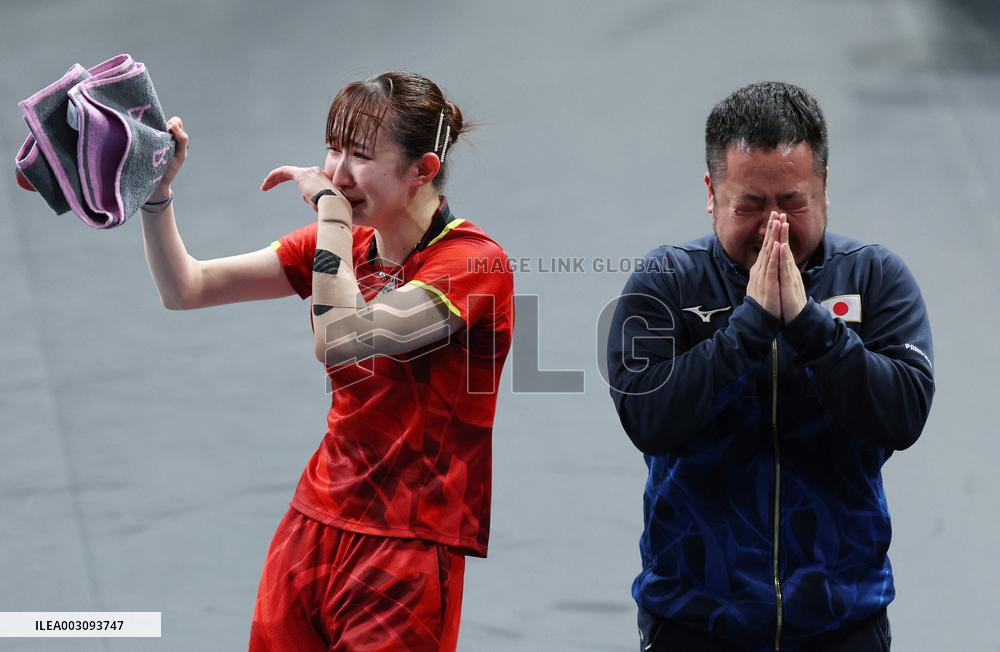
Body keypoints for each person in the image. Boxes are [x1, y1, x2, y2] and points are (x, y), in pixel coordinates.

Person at [140, 71, 514, 651]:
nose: (335, 173)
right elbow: (186, 287)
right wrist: (155, 194)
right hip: (312, 526)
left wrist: (331, 216)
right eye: (333, 148)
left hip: (406, 548)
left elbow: (343, 336)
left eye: (360, 155)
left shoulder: (475, 264)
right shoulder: (340, 244)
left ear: (424, 170)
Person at [607, 81, 934, 651]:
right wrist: (750, 327)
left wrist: (809, 325)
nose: (772, 226)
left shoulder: (876, 278)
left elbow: (903, 415)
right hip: (694, 622)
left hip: (843, 620)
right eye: (751, 205)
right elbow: (649, 419)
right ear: (712, 193)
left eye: (792, 203)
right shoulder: (665, 282)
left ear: (825, 189)